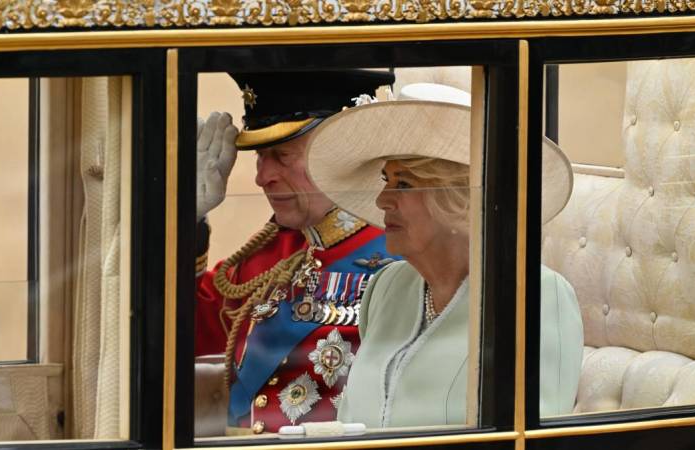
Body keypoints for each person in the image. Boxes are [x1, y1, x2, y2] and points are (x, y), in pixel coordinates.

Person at [305, 82, 583, 427]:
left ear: (459, 197)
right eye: (385, 179)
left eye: (403, 184)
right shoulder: (386, 288)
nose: (381, 200)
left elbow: (536, 437)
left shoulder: (536, 297)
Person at [194, 70, 399, 435]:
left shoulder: (405, 256)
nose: (262, 177)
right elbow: (190, 332)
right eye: (260, 156)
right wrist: (188, 222)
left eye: (282, 155)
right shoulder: (273, 254)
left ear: (344, 151)